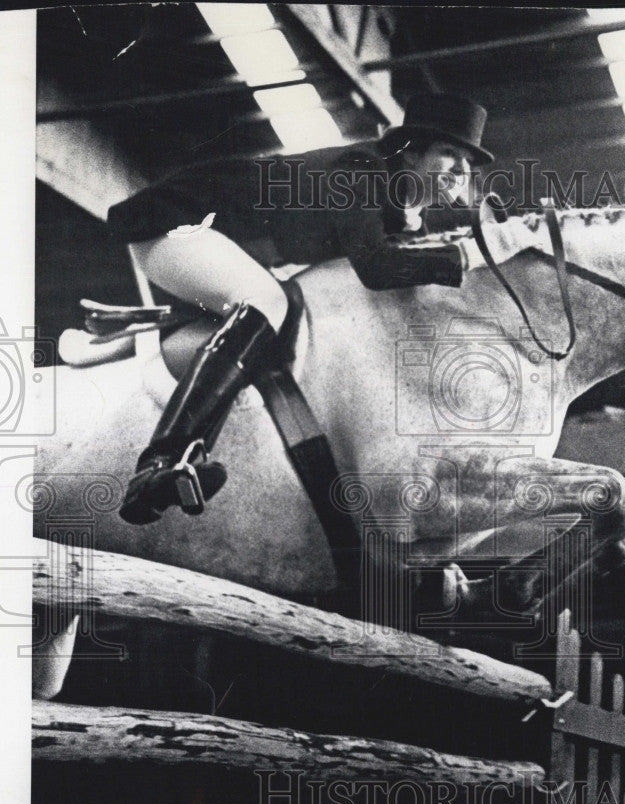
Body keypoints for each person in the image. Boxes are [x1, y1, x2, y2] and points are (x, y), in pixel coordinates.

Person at [108, 93, 530, 525]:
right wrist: (466, 257)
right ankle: (160, 462)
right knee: (266, 299)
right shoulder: (361, 170)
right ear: (412, 152)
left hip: (226, 238)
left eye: (469, 163)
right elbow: (377, 269)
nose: (462, 172)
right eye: (450, 155)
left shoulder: (394, 203)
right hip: (176, 222)